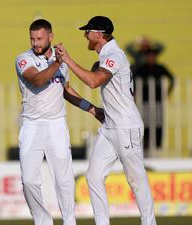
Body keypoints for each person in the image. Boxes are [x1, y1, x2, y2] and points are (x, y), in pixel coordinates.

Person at [55, 16, 157, 225]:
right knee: (93, 177)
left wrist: (68, 60)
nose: (85, 35)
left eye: (88, 31)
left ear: (99, 34)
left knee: (136, 179)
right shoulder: (106, 56)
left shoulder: (114, 55)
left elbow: (94, 82)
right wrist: (93, 110)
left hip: (127, 126)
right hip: (110, 127)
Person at [15, 19, 104, 225]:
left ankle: (69, 221)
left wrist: (91, 109)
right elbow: (37, 79)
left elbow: (66, 91)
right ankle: (42, 221)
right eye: (32, 39)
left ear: (50, 37)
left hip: (56, 124)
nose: (35, 43)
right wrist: (57, 63)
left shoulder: (60, 61)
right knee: (29, 180)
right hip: (32, 125)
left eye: (39, 38)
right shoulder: (23, 59)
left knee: (64, 179)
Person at [132, 46, 175, 152]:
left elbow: (172, 79)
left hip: (158, 101)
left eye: (153, 56)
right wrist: (134, 93)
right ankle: (146, 146)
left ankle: (157, 146)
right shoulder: (141, 68)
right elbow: (132, 79)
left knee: (158, 123)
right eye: (149, 56)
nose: (151, 58)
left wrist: (168, 92)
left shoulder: (160, 68)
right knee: (145, 123)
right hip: (144, 101)